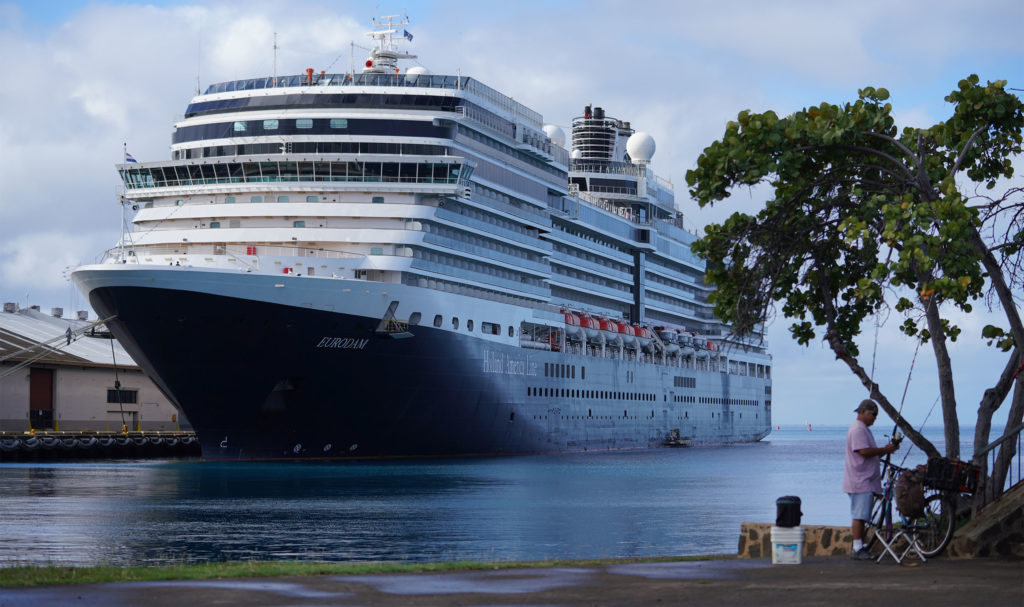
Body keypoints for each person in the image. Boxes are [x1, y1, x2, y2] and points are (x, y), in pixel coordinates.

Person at [844, 399, 900, 560]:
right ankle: (857, 548)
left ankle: (859, 546)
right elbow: (863, 451)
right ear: (862, 412)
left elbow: (871, 453)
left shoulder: (864, 429)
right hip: (860, 480)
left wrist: (887, 449)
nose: (875, 418)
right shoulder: (858, 429)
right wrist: (884, 449)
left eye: (876, 415)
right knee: (859, 515)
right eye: (873, 414)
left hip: (865, 480)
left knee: (862, 515)